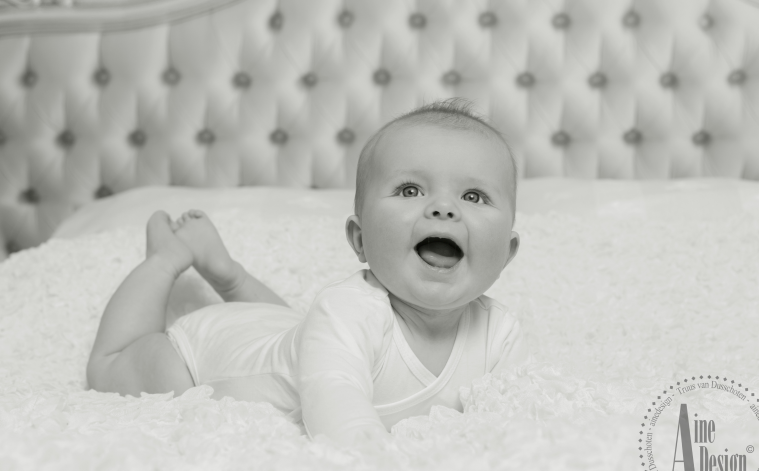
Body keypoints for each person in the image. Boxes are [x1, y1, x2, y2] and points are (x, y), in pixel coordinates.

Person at [86, 98, 529, 447]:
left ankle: (228, 274)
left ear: (507, 252)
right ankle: (165, 258)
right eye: (410, 189)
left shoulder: (500, 332)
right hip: (208, 355)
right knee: (113, 371)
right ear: (360, 240)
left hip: (287, 331)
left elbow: (516, 417)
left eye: (474, 196)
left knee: (295, 332)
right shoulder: (347, 310)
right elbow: (339, 414)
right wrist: (380, 468)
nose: (444, 207)